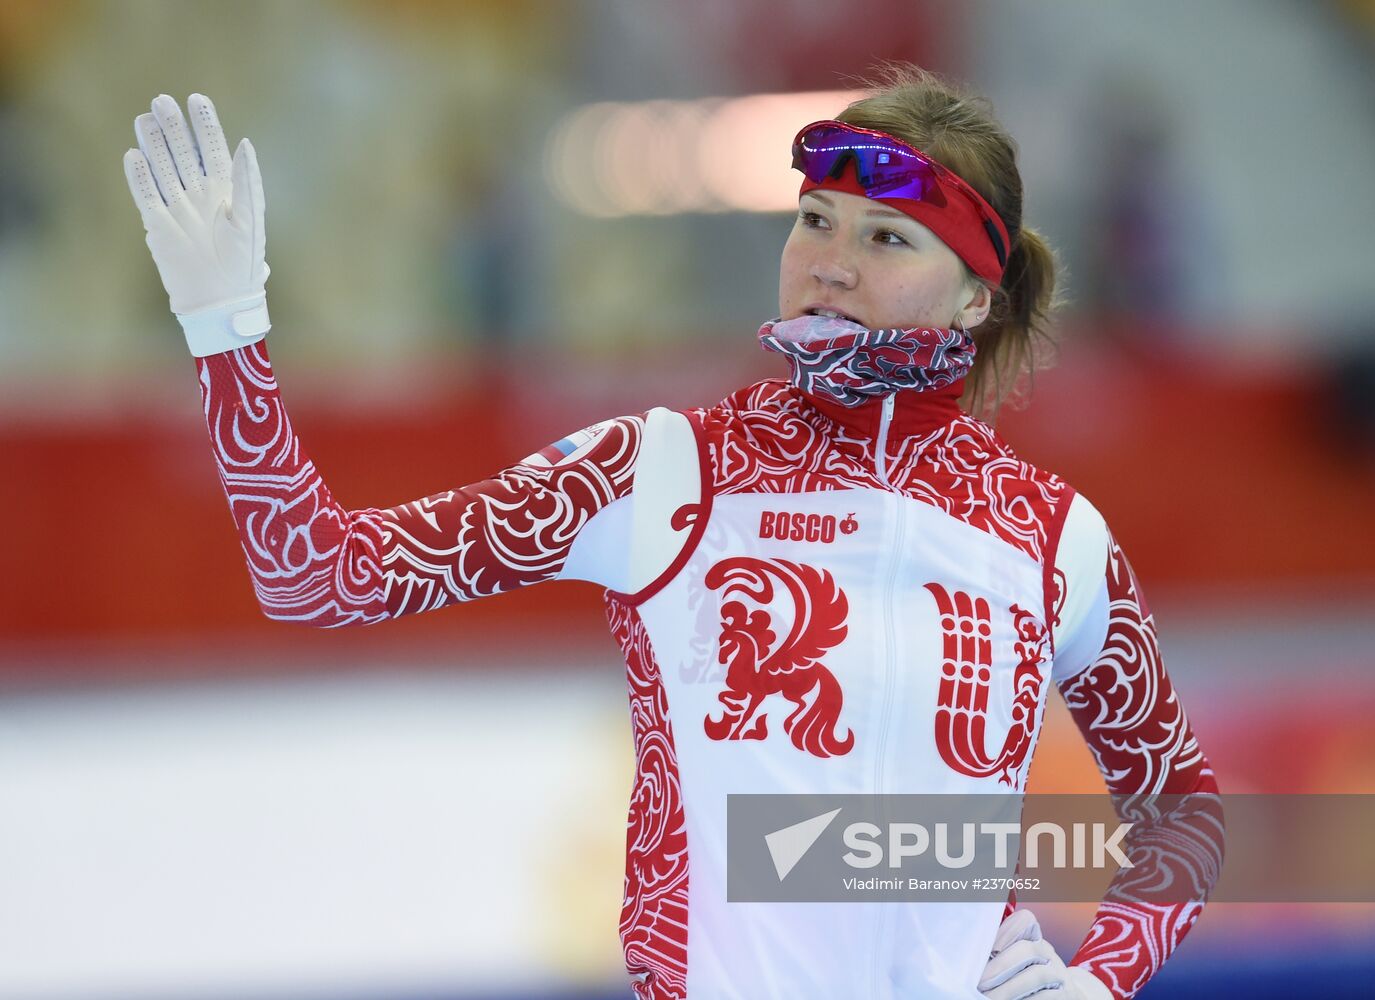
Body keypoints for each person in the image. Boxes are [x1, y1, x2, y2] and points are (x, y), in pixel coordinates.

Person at [122, 66, 1222, 1000]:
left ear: (977, 300)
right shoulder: (660, 472)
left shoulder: (1047, 534)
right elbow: (316, 574)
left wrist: (1095, 978)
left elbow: (1183, 811)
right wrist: (229, 330)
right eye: (814, 220)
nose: (830, 261)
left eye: (888, 237)